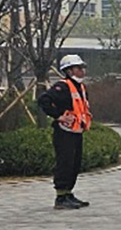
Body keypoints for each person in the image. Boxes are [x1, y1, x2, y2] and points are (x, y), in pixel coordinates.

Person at [37, 54, 93, 210]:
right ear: (69, 70)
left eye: (82, 68)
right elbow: (43, 100)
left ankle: (68, 193)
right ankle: (61, 197)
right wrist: (58, 116)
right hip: (64, 132)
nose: (82, 71)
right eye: (78, 68)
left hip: (76, 131)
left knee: (75, 164)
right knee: (65, 163)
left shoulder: (81, 87)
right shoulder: (62, 87)